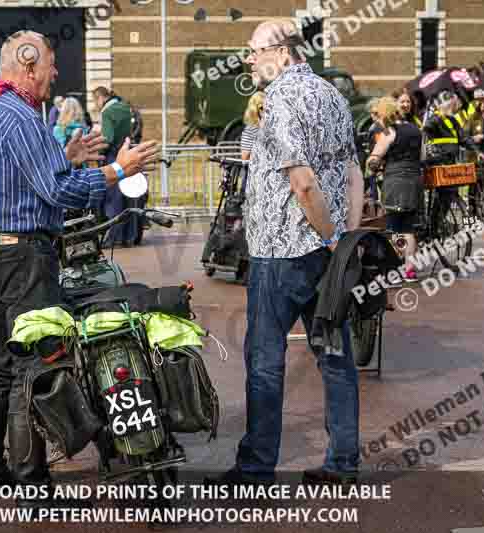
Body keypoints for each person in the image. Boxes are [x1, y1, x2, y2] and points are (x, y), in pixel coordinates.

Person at [0, 30, 157, 504]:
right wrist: (117, 170)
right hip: (22, 254)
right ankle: (31, 484)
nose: (55, 73)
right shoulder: (23, 116)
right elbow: (58, 193)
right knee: (34, 366)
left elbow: (19, 175)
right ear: (28, 64)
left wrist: (66, 157)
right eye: (50, 65)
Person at [215, 20, 364, 486]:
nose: (248, 60)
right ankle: (343, 463)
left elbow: (302, 183)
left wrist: (326, 232)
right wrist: (342, 237)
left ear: (280, 53)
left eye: (254, 51)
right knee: (335, 357)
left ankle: (257, 468)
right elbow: (355, 172)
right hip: (326, 254)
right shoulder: (333, 94)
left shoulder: (279, 99)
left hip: (281, 254)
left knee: (264, 360)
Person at [366, 97, 423, 280]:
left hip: (395, 182)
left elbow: (375, 157)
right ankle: (410, 269)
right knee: (409, 228)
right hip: (414, 180)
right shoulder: (416, 130)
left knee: (392, 226)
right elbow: (422, 155)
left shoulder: (389, 132)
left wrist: (372, 163)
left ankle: (394, 270)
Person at [92, 86, 138, 247]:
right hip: (127, 154)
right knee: (128, 197)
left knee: (113, 199)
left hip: (113, 158)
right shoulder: (125, 107)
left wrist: (96, 147)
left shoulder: (107, 112)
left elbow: (108, 138)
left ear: (100, 98)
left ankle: (114, 238)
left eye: (94, 101)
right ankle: (129, 236)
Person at [240, 91, 264, 161]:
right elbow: (245, 157)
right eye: (261, 108)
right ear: (254, 110)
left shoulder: (273, 126)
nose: (266, 111)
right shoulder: (250, 130)